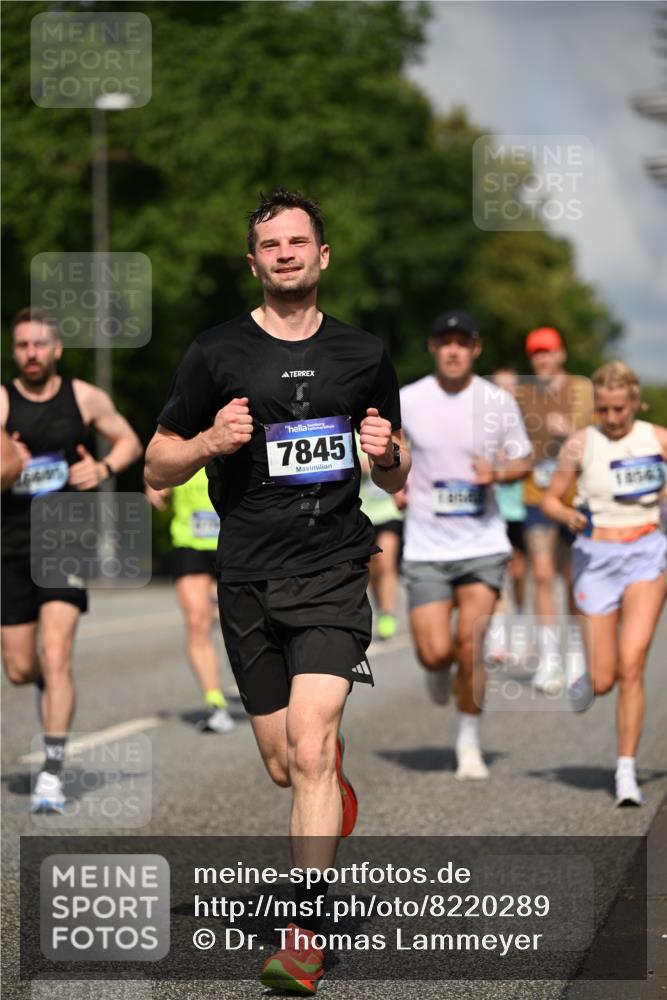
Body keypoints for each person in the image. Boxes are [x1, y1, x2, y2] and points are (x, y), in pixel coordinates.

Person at [144, 188, 409, 994]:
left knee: (310, 743)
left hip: (332, 567)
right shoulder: (215, 353)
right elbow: (156, 465)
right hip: (248, 575)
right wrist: (205, 442)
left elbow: (397, 470)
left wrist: (387, 448)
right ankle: (325, 780)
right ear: (252, 261)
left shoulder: (362, 355)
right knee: (281, 763)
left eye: (300, 242)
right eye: (272, 245)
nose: (287, 253)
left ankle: (303, 930)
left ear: (322, 256)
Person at [1, 307, 143, 813]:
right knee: (19, 668)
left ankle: (52, 772)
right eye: (22, 346)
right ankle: (46, 684)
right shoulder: (1, 403)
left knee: (58, 653)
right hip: (10, 546)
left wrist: (102, 467)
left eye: (39, 344)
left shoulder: (84, 397)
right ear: (14, 350)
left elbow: (130, 441)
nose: (31, 353)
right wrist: (10, 462)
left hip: (64, 540)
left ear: (56, 348)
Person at [400, 310, 532, 780]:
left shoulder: (496, 401)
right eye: (445, 342)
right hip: (426, 545)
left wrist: (496, 473)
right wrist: (393, 483)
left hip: (482, 542)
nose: (453, 350)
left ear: (476, 349)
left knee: (471, 645)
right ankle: (438, 669)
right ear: (433, 348)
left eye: (463, 342)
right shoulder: (408, 399)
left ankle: (468, 742)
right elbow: (386, 455)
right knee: (437, 651)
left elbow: (524, 461)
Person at [542, 361, 666, 806]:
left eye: (620, 409)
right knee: (603, 679)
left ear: (635, 402)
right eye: (604, 410)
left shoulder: (657, 439)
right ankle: (587, 672)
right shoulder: (581, 444)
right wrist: (568, 514)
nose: (612, 419)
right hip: (595, 558)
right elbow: (552, 499)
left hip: (646, 556)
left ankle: (626, 772)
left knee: (632, 665)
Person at [515, 327, 593, 692]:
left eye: (547, 352)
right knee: (542, 573)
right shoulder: (524, 394)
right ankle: (550, 660)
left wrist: (573, 431)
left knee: (573, 577)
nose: (542, 360)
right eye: (536, 354)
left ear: (561, 354)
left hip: (578, 497)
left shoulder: (581, 390)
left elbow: (601, 434)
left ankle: (577, 656)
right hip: (536, 493)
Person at [145, 469, 235, 733]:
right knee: (197, 621)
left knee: (241, 621)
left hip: (235, 543)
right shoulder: (181, 433)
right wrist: (154, 484)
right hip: (190, 542)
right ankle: (215, 703)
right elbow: (156, 466)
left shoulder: (238, 431)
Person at [485, 367, 528, 661]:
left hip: (524, 509)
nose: (506, 393)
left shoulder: (528, 421)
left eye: (511, 387)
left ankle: (522, 628)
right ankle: (498, 641)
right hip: (495, 509)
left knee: (519, 573)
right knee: (497, 574)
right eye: (500, 387)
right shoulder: (483, 423)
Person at [357, 440, 404, 640]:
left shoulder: (383, 430)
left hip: (389, 512)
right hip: (363, 512)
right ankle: (379, 608)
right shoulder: (348, 430)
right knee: (372, 570)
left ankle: (388, 612)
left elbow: (402, 461)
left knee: (386, 562)